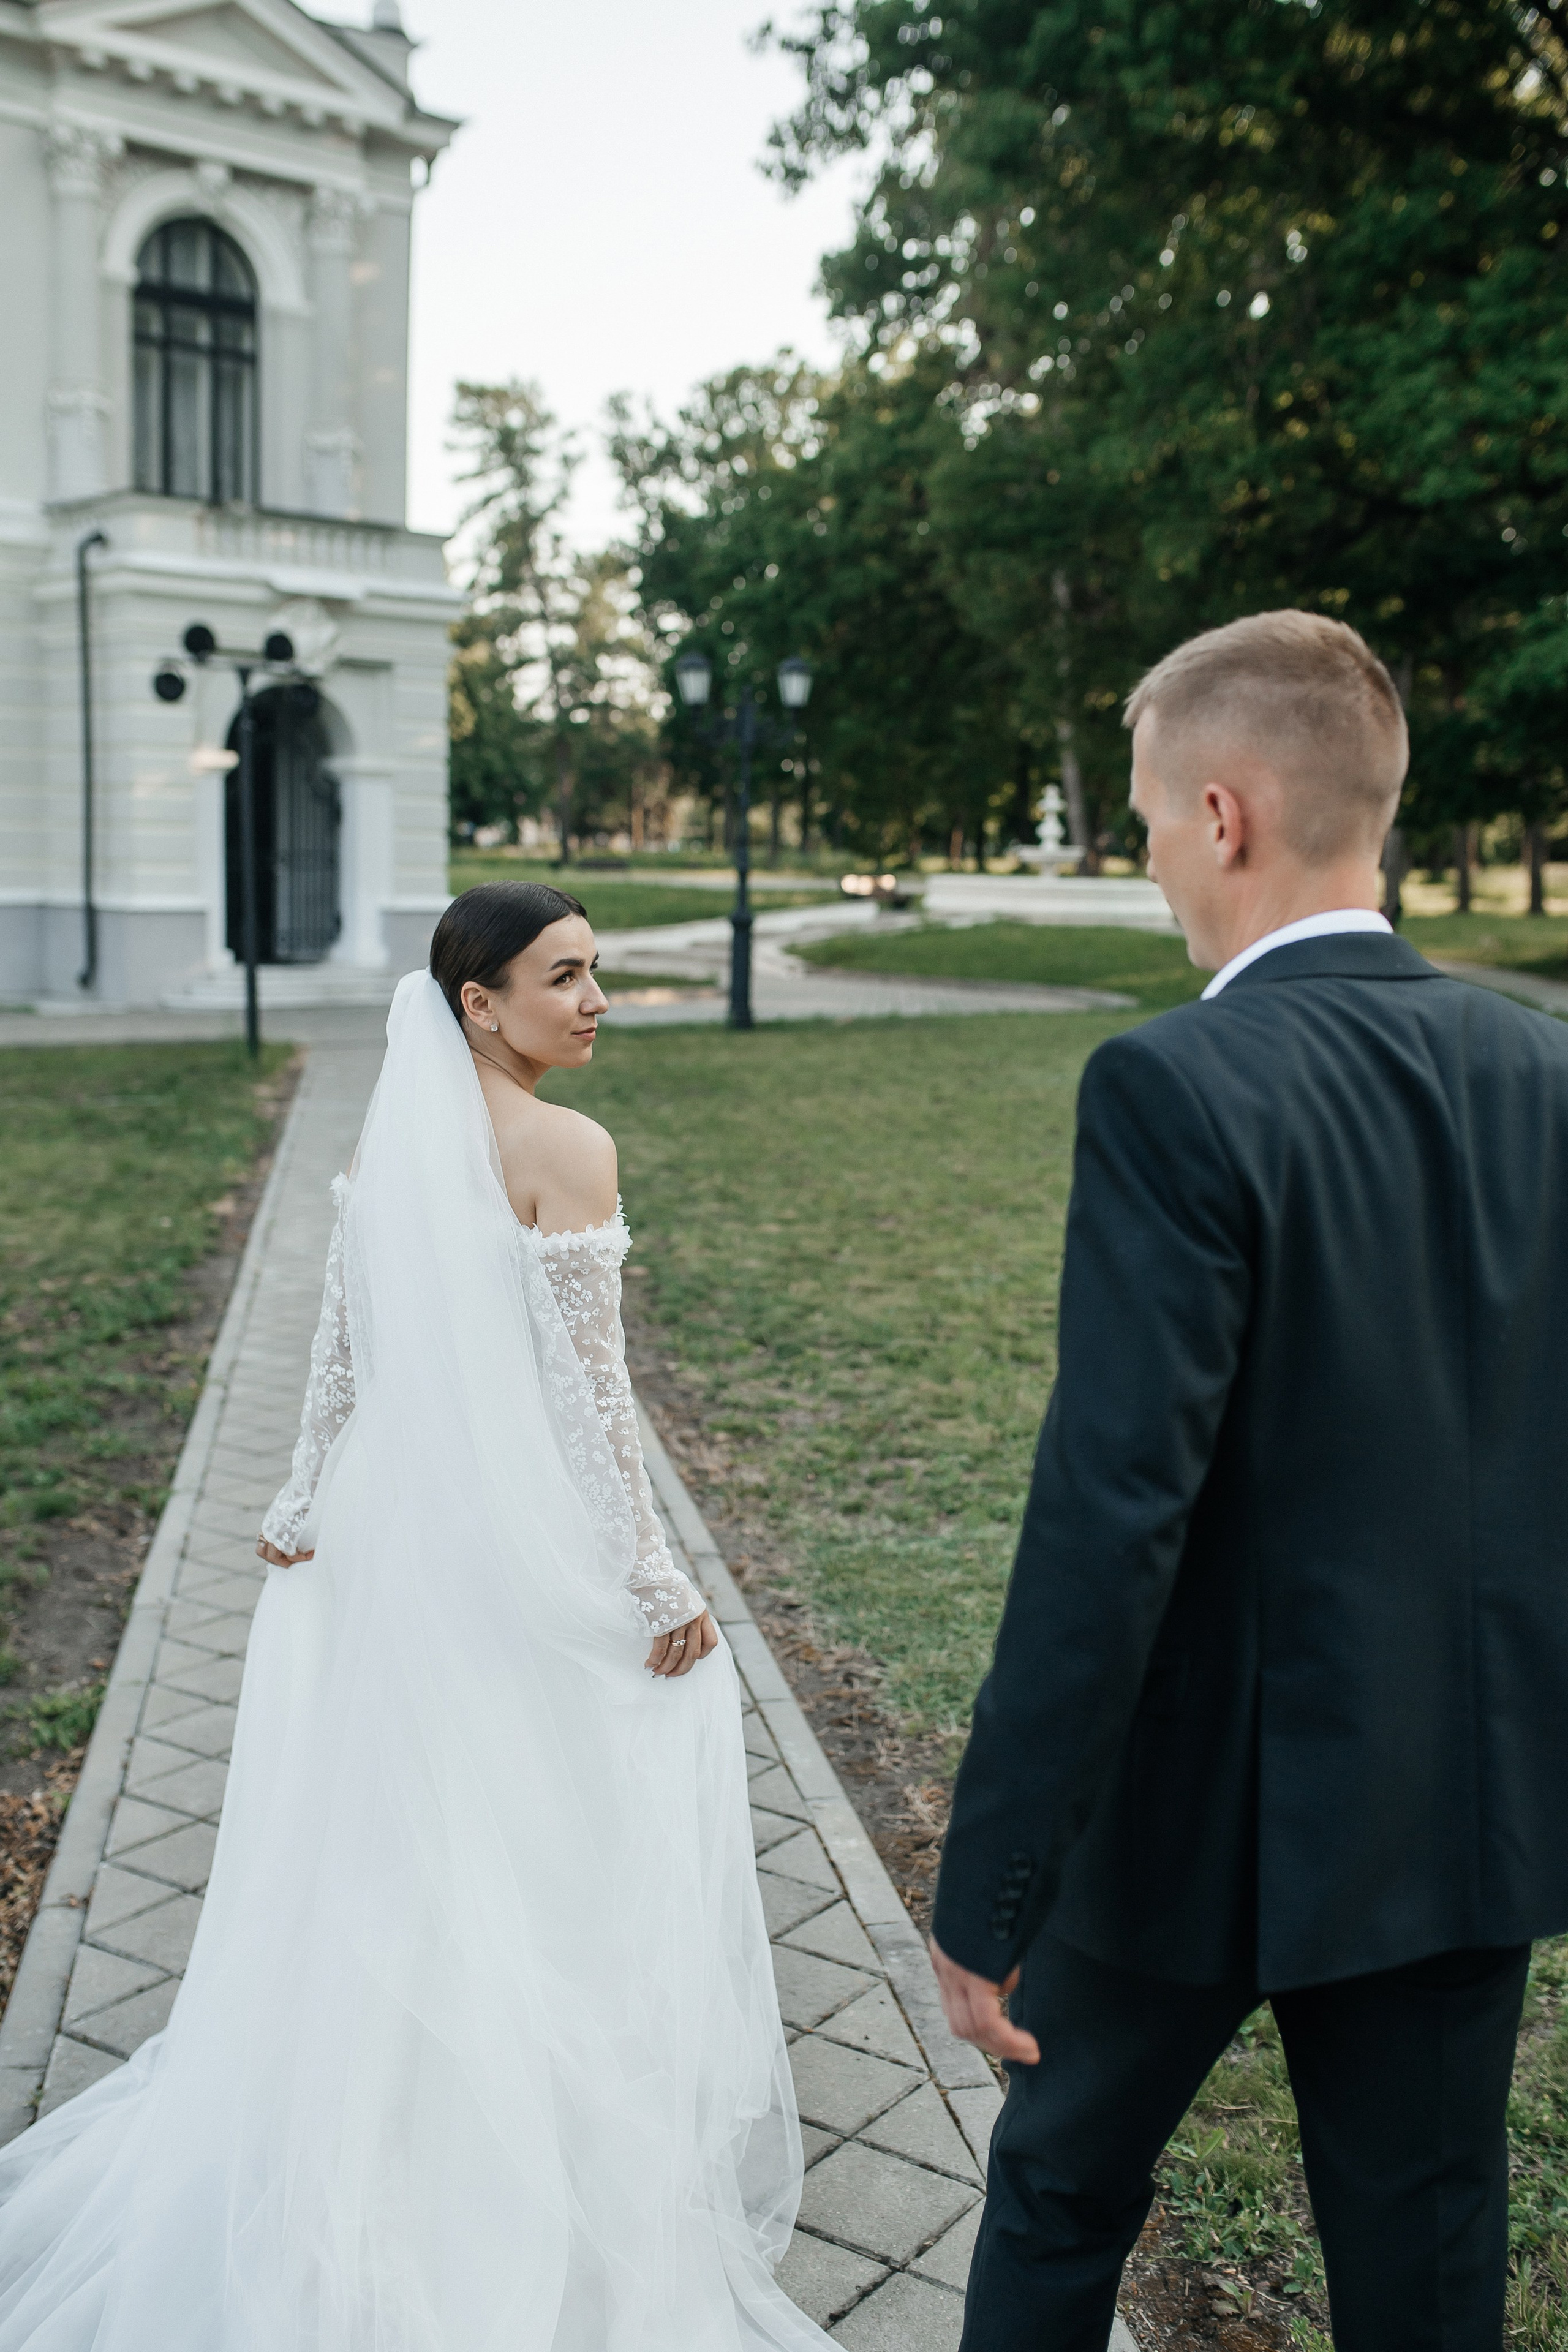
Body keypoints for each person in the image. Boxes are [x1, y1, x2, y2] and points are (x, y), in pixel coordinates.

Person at [0, 883, 832, 2352]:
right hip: (507, 1535)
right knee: (517, 1838)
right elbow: (587, 1407)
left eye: (597, 976)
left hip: (393, 1524)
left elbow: (343, 1347)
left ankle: (393, 2148)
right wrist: (653, 1578)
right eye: (563, 979)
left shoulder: (397, 1138)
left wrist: (308, 1493)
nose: (593, 1003)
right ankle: (500, 2177)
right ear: (478, 1005)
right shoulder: (567, 1150)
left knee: (408, 1831)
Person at [928, 611, 1568, 2352]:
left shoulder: (1172, 1082)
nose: (1144, 862)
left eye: (1140, 821)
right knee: (1428, 2258)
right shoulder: (1546, 1066)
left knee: (1063, 2192)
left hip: (1192, 1811)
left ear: (1223, 817)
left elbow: (1111, 1514)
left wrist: (991, 1890)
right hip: (1460, 1798)